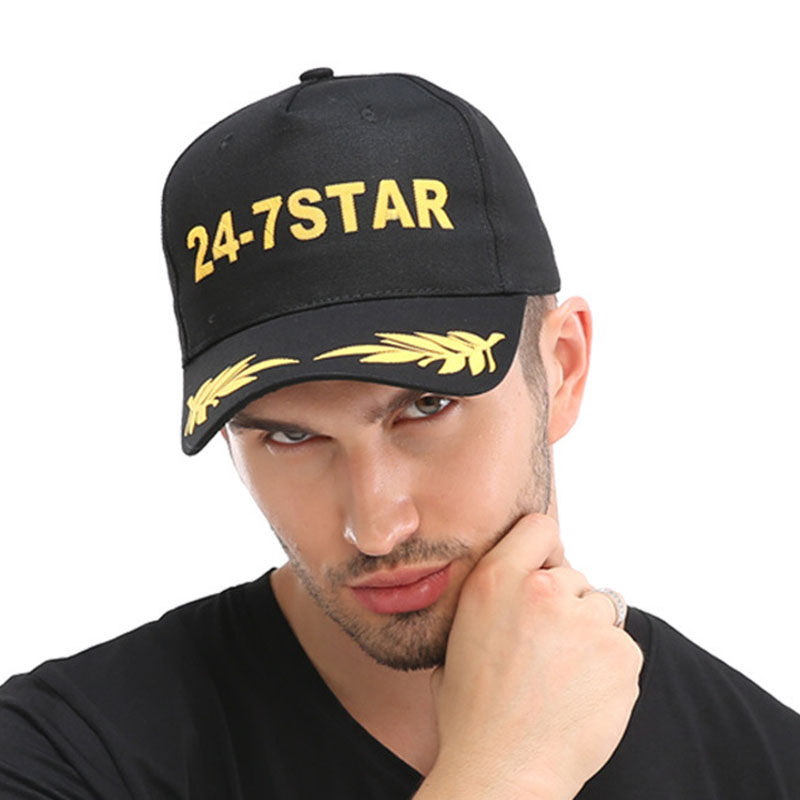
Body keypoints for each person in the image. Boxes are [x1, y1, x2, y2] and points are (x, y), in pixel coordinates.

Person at [1, 68, 798, 800]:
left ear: (562, 368)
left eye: (426, 406)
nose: (376, 526)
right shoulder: (62, 758)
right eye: (289, 438)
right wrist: (508, 771)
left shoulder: (764, 766)